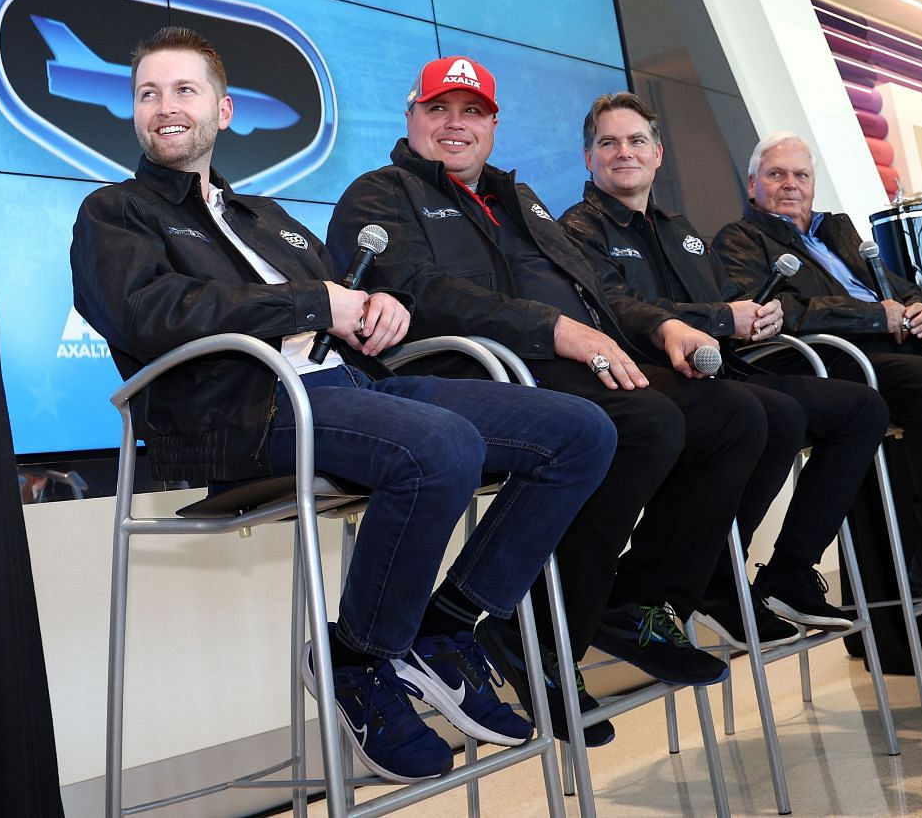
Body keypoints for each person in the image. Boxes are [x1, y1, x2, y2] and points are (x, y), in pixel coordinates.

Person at [70, 28, 617, 784]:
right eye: (148, 93)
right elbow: (150, 314)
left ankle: (446, 628)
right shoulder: (114, 213)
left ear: (224, 110)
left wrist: (375, 309)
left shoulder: (268, 217)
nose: (165, 108)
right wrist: (311, 300)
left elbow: (340, 305)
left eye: (184, 91)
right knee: (440, 447)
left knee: (581, 432)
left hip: (355, 389)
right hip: (245, 411)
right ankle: (357, 660)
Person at [328, 56, 766, 742]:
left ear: (494, 126)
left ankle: (637, 601)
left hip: (565, 364)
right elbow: (417, 290)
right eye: (439, 109)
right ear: (410, 116)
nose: (455, 125)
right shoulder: (379, 194)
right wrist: (554, 330)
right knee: (645, 424)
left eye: (472, 112)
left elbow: (599, 288)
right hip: (479, 374)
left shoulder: (519, 197)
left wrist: (662, 326)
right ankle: (538, 628)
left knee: (736, 417)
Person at [560, 95, 891, 649]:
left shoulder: (680, 230)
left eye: (637, 140)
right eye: (609, 143)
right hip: (649, 379)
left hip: (723, 369)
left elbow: (730, 301)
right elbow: (611, 309)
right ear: (588, 157)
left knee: (863, 409)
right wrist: (720, 316)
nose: (625, 152)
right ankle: (702, 577)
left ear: (659, 153)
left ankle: (780, 571)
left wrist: (758, 317)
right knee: (772, 415)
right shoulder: (579, 230)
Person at [713, 132, 922, 624]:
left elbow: (900, 287)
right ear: (752, 186)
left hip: (897, 347)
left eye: (801, 175)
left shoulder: (840, 233)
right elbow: (772, 309)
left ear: (813, 185)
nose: (790, 185)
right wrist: (873, 317)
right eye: (776, 174)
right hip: (833, 358)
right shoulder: (739, 239)